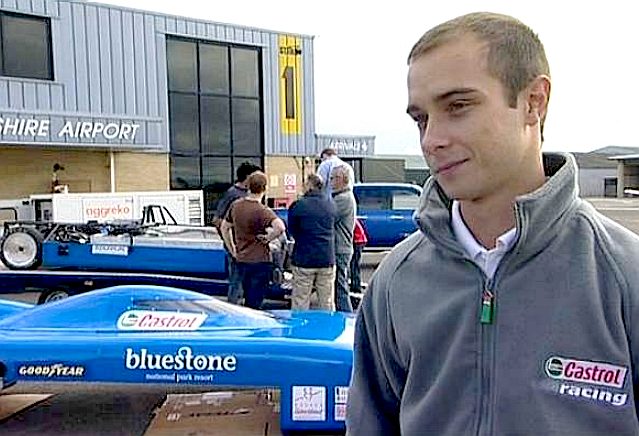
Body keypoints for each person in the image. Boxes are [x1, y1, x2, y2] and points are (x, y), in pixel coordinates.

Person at [347, 12, 639, 435]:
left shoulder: (622, 275)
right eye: (421, 119)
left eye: (458, 107)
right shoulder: (396, 282)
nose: (432, 139)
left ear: (534, 102)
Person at [220, 171, 285, 310]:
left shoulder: (236, 205)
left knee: (238, 295)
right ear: (264, 188)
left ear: (248, 187)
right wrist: (268, 238)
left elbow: (224, 227)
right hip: (259, 260)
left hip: (241, 258)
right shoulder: (262, 210)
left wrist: (232, 248)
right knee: (255, 302)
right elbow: (280, 227)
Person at [212, 162, 261, 304]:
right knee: (236, 283)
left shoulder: (248, 194)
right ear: (247, 177)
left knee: (248, 285)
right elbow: (218, 220)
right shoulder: (233, 195)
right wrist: (230, 245)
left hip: (249, 249)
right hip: (237, 249)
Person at [287, 174, 337, 310]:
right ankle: (327, 328)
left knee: (300, 300)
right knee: (326, 300)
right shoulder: (331, 204)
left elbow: (292, 229)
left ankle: (301, 329)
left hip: (304, 257)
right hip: (327, 257)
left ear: (309, 185)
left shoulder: (298, 205)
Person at [330, 165, 356, 312]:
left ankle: (346, 315)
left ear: (343, 179)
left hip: (340, 248)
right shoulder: (339, 197)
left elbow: (328, 217)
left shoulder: (343, 199)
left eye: (335, 178)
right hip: (341, 247)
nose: (331, 181)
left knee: (340, 287)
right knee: (337, 286)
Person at [349, 218, 368, 295]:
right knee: (355, 264)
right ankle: (355, 284)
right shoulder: (352, 218)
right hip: (360, 240)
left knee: (354, 265)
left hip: (358, 241)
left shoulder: (351, 220)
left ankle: (356, 287)